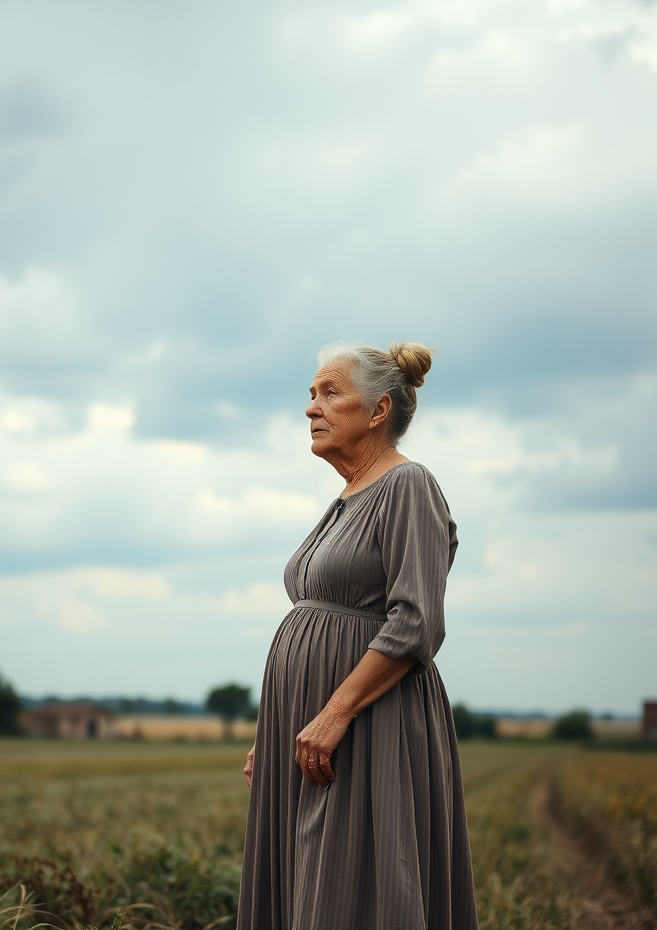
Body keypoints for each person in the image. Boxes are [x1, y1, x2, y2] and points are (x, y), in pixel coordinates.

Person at [237, 342, 478, 930]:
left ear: (378, 411)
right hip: (316, 724)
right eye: (311, 395)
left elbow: (416, 621)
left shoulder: (407, 485)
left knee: (353, 886)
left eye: (329, 393)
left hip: (368, 724)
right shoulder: (349, 496)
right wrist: (276, 728)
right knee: (302, 881)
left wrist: (335, 712)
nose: (311, 408)